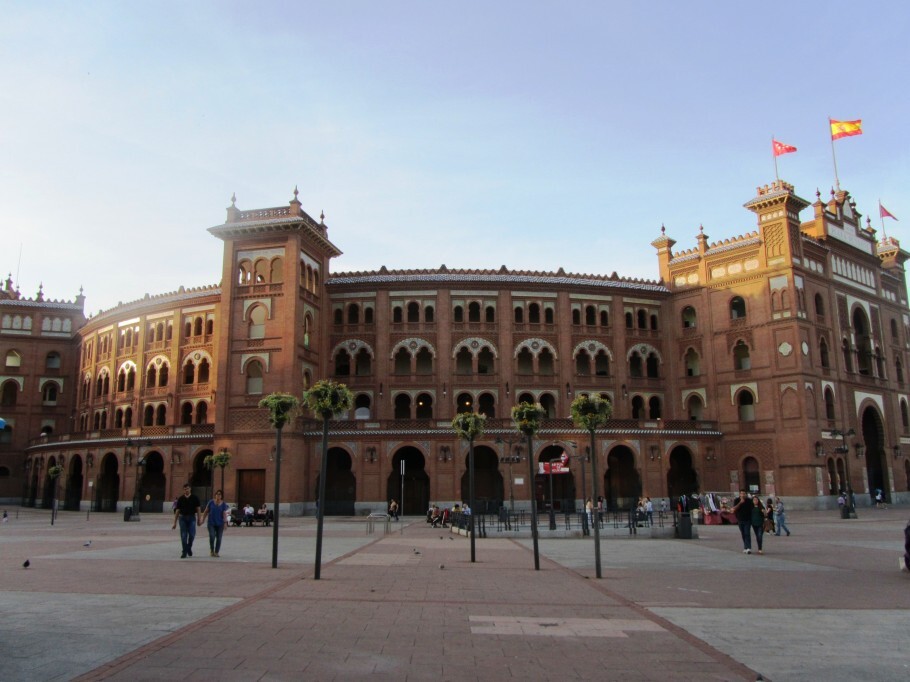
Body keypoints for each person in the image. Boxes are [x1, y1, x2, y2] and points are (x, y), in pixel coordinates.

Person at [172, 484, 202, 558]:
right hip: (182, 518)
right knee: (183, 535)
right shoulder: (181, 499)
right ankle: (184, 551)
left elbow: (198, 509)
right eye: (185, 489)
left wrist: (199, 519)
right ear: (183, 490)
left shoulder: (195, 498)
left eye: (188, 488)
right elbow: (177, 511)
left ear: (190, 489)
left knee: (192, 534)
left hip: (192, 518)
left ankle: (189, 547)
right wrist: (174, 522)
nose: (186, 490)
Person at [200, 490, 229, 557]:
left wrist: (225, 523)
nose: (218, 495)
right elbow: (206, 511)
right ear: (215, 495)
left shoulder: (223, 504)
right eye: (217, 494)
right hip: (211, 523)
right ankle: (212, 550)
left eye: (220, 494)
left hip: (220, 524)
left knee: (219, 538)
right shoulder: (211, 502)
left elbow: (224, 514)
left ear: (221, 496)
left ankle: (216, 552)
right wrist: (203, 519)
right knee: (212, 536)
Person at [731, 490, 754, 554]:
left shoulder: (749, 501)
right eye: (741, 494)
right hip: (740, 520)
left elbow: (752, 509)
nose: (743, 495)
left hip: (748, 520)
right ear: (739, 494)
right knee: (743, 533)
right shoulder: (737, 500)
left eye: (744, 493)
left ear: (746, 494)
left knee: (747, 533)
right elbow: (734, 508)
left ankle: (748, 548)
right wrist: (740, 503)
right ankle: (745, 547)